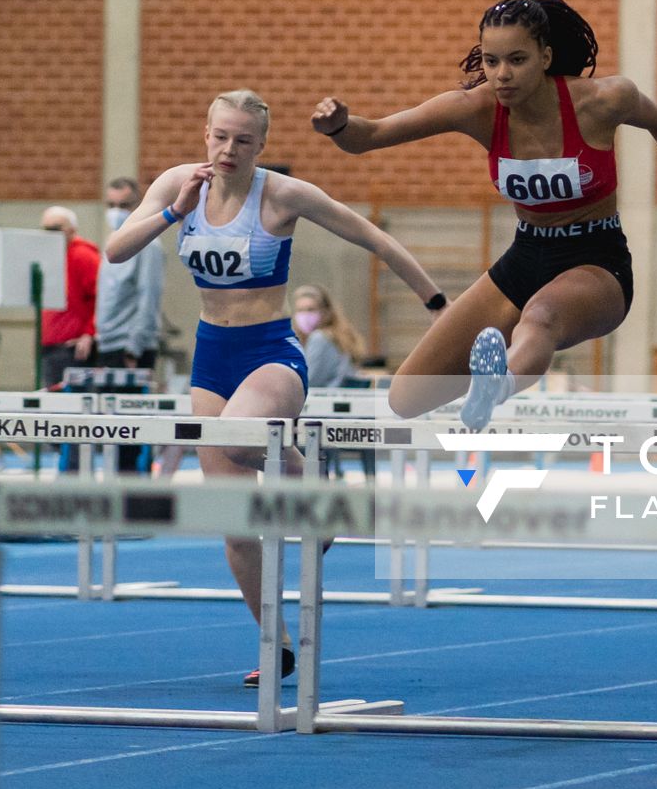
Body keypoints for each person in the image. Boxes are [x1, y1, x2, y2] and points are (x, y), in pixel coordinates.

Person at [106, 89, 444, 684]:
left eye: (242, 140)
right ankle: (275, 643)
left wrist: (440, 306)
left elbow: (376, 240)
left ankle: (321, 493)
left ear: (262, 145)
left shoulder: (282, 194)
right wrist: (172, 211)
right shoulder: (178, 184)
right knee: (235, 519)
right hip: (211, 359)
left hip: (270, 354)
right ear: (205, 132)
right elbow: (115, 250)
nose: (228, 149)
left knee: (240, 441)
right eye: (219, 137)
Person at [312, 0, 657, 427]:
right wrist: (339, 127)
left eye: (517, 60)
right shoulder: (476, 109)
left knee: (541, 316)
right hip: (526, 256)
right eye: (491, 61)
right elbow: (370, 136)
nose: (501, 75)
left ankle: (496, 388)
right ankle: (495, 376)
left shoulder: (602, 100)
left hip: (595, 261)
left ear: (545, 57)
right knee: (408, 396)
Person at [95, 176, 165, 473]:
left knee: (130, 434)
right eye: (111, 205)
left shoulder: (148, 245)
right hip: (108, 344)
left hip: (129, 348)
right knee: (111, 432)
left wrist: (135, 348)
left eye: (124, 205)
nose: (116, 210)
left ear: (138, 205)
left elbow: (149, 296)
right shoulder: (112, 242)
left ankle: (136, 499)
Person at [292, 283, 375, 480]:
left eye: (311, 309)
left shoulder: (320, 338)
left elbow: (308, 380)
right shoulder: (339, 337)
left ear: (325, 312)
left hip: (327, 416)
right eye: (300, 310)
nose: (305, 315)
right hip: (343, 413)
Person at [37, 205, 101, 389]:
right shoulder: (54, 256)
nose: (49, 234)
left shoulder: (83, 256)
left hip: (72, 350)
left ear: (71, 230)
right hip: (52, 345)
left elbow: (102, 300)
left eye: (54, 229)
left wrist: (89, 334)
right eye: (45, 229)